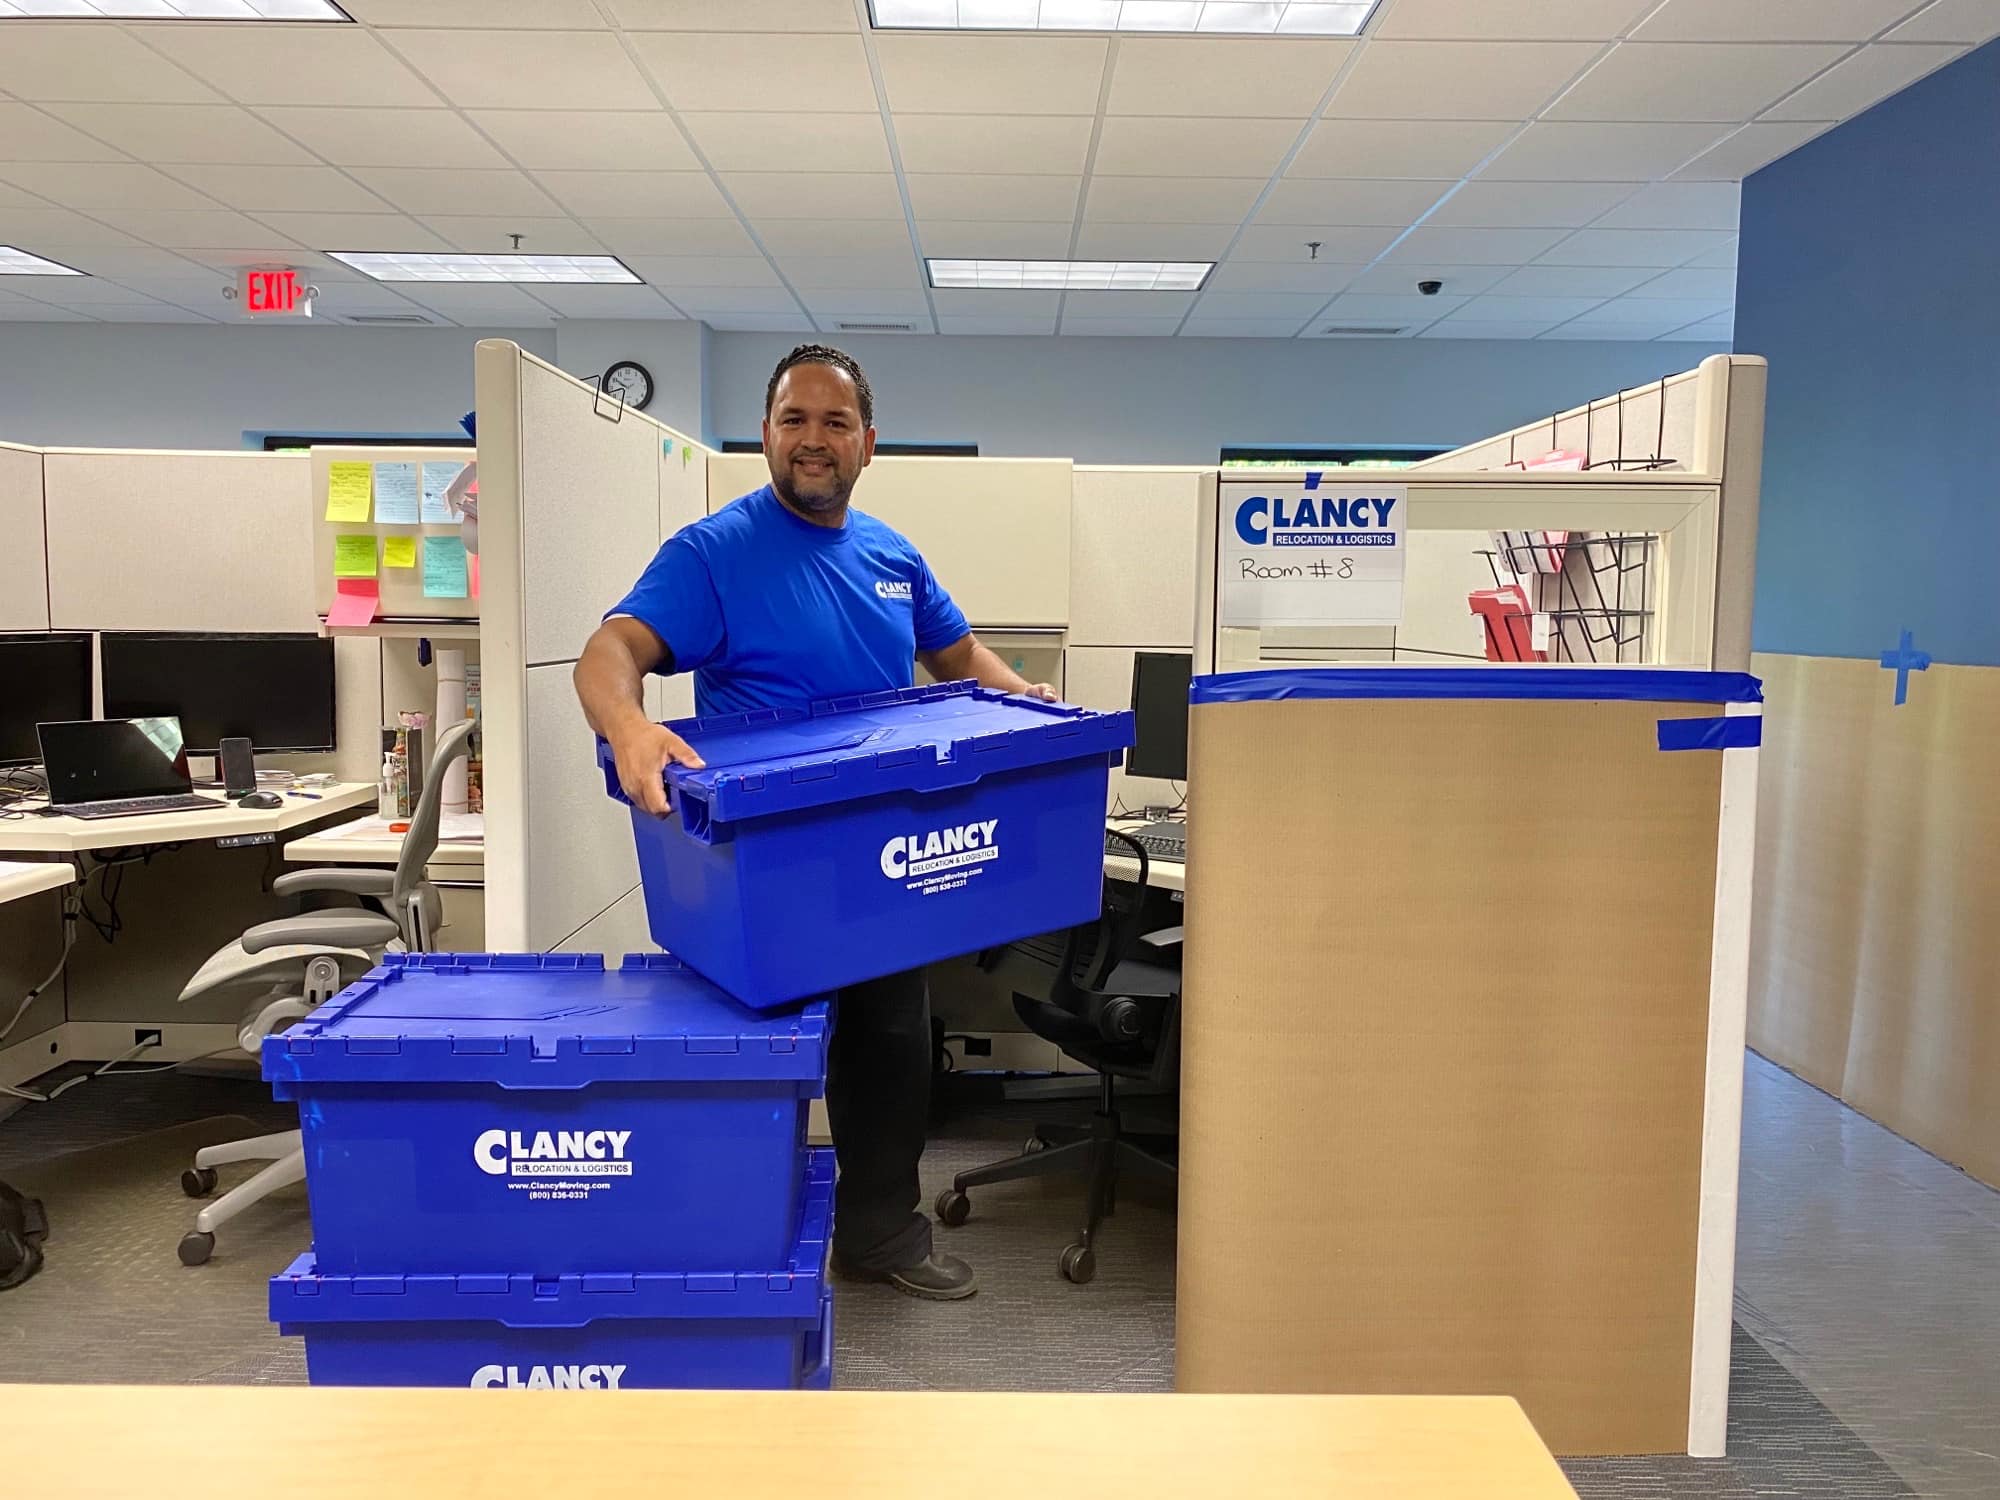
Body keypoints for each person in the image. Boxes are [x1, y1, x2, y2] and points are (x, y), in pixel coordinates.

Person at [574, 344, 1055, 1302]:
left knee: (890, 1039)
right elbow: (612, 646)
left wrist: (1029, 705)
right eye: (794, 420)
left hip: (877, 847)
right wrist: (629, 727)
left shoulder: (890, 555)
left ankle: (879, 1234)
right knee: (769, 1054)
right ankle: (728, 1248)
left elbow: (958, 656)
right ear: (765, 436)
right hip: (767, 856)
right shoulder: (713, 553)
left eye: (835, 423)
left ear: (867, 444)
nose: (813, 440)